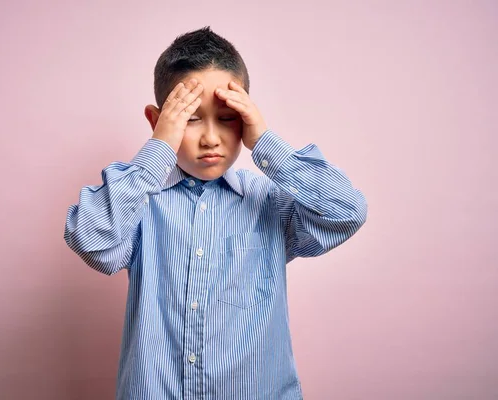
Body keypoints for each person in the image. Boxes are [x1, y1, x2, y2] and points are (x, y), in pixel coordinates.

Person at [64, 26, 367, 400]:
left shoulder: (269, 202)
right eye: (190, 119)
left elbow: (347, 211)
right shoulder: (141, 202)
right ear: (157, 120)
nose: (211, 138)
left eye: (227, 118)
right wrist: (159, 147)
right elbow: (92, 240)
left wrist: (265, 143)